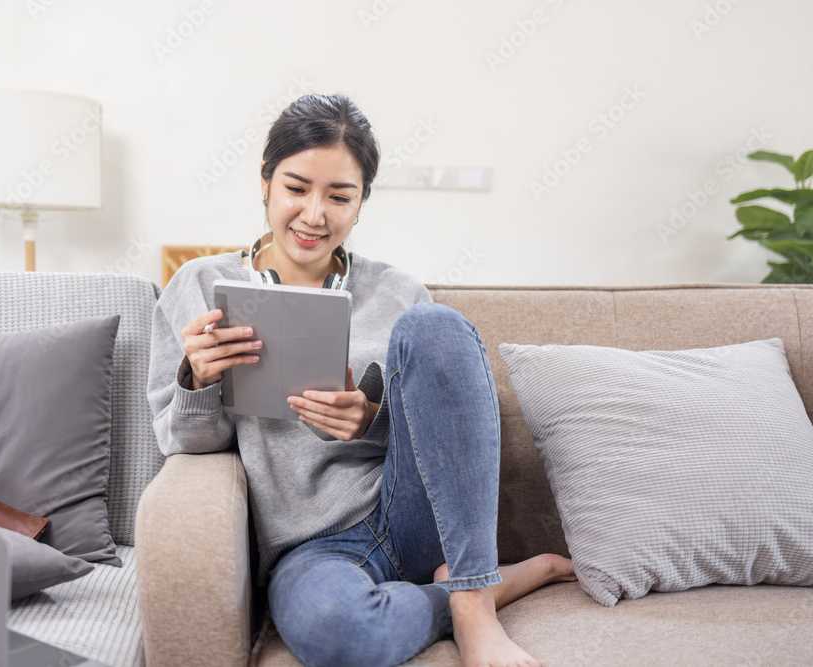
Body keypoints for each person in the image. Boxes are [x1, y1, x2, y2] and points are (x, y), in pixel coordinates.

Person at [148, 93, 575, 667]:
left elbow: (453, 422)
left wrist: (372, 424)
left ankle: (473, 603)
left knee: (436, 325)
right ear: (266, 181)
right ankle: (483, 587)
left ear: (361, 203)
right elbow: (184, 447)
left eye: (340, 196)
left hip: (414, 517)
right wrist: (198, 378)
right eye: (297, 188)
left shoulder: (396, 291)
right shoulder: (200, 286)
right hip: (311, 548)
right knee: (342, 633)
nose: (315, 214)